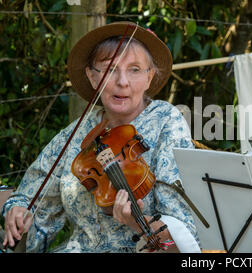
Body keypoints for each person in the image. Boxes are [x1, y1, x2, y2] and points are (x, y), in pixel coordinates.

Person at [1, 22, 201, 253]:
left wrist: (136, 222)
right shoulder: (76, 133)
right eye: (110, 69)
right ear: (92, 77)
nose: (122, 81)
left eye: (134, 69)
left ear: (149, 77)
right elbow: (29, 197)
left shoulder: (166, 121)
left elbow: (182, 236)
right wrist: (16, 210)